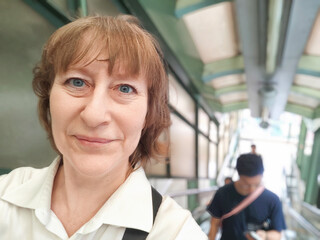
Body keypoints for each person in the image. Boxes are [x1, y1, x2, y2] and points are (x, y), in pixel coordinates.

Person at [0, 15, 207, 240]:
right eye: (77, 82)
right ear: (49, 97)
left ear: (149, 113)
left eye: (125, 89)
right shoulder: (5, 194)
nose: (94, 115)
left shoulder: (175, 232)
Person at [207, 154, 286, 240]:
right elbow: (214, 224)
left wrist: (265, 235)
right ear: (238, 175)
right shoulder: (222, 193)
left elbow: (278, 234)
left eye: (256, 184)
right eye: (246, 184)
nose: (252, 189)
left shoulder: (272, 200)